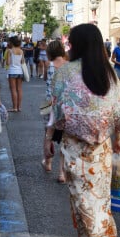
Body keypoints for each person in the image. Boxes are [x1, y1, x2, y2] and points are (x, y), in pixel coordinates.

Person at [52, 23, 120, 237]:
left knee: (82, 199)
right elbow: (119, 113)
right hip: (103, 148)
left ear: (76, 46)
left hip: (76, 146)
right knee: (99, 197)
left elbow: (56, 113)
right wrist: (118, 141)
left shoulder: (65, 72)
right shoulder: (109, 72)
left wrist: (49, 142)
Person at [41, 39, 67, 182]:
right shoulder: (69, 66)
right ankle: (61, 173)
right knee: (64, 137)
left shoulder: (49, 65)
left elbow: (45, 79)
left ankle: (48, 162)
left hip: (48, 102)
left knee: (47, 132)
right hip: (64, 102)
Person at [4, 35, 24, 112]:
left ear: (12, 43)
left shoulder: (10, 51)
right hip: (20, 71)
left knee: (13, 90)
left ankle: (14, 107)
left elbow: (8, 63)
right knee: (19, 89)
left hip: (12, 71)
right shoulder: (21, 51)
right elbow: (22, 62)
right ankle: (19, 107)